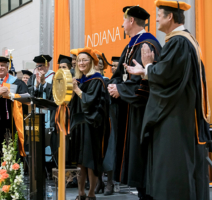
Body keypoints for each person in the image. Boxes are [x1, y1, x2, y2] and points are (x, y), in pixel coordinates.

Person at [124, 1, 210, 199]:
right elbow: (170, 74)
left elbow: (166, 76)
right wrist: (146, 71)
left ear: (169, 17)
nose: (155, 19)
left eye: (159, 15)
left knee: (174, 170)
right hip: (182, 113)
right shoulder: (186, 41)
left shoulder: (179, 42)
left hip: (176, 118)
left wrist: (148, 67)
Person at [107, 6, 162, 200]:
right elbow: (118, 75)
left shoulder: (147, 45)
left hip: (141, 114)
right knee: (137, 166)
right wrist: (114, 87)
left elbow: (145, 84)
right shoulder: (132, 45)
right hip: (130, 111)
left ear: (131, 21)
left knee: (143, 165)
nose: (122, 24)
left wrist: (120, 90)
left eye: (123, 20)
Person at [69, 47, 109, 200]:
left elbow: (91, 102)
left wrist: (77, 90)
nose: (81, 62)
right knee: (80, 162)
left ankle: (91, 194)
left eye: (84, 60)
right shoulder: (79, 80)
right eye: (79, 60)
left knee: (90, 160)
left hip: (92, 125)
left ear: (92, 62)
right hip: (79, 125)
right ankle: (80, 193)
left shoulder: (97, 80)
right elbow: (74, 105)